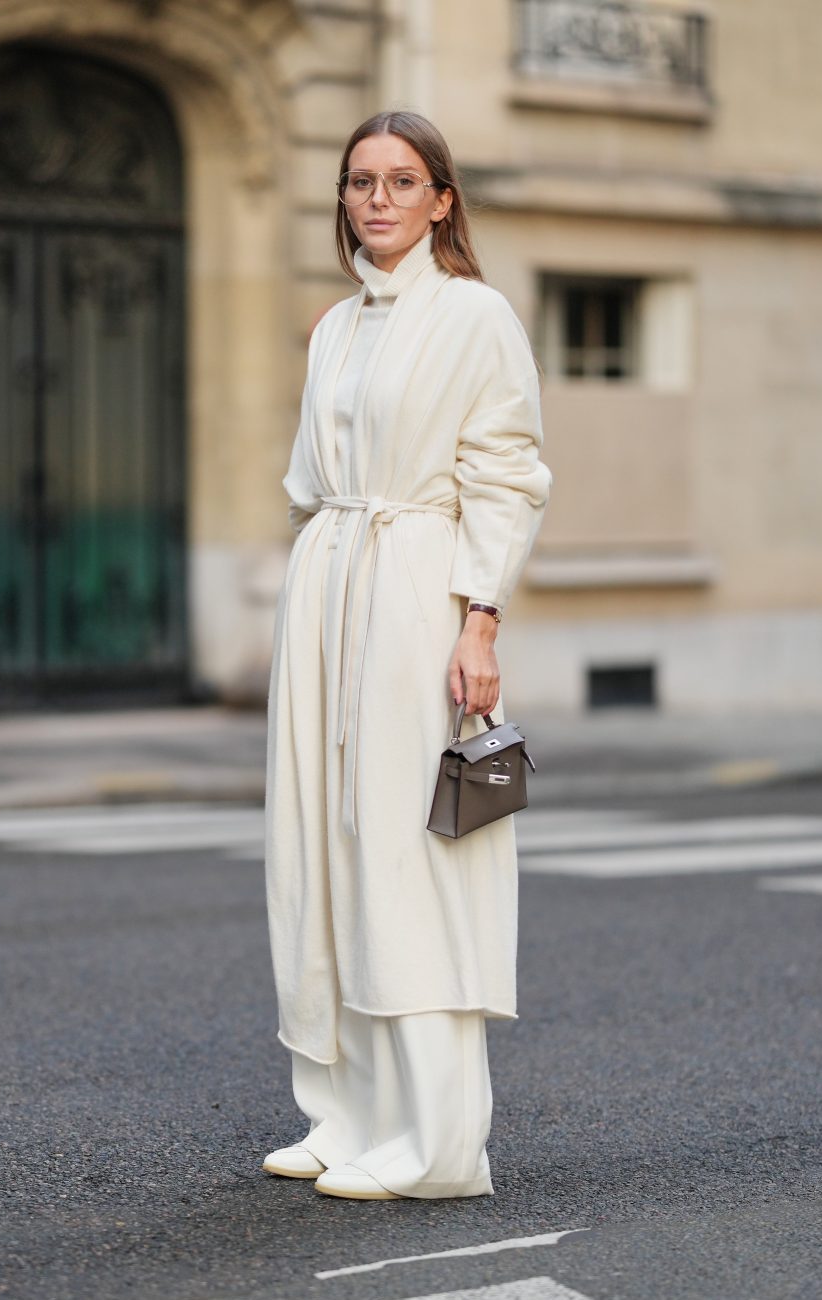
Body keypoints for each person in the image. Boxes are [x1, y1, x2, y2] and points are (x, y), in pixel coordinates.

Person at [260, 110, 551, 1201]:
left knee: (408, 855)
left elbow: (507, 475)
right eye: (358, 181)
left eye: (400, 180)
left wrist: (479, 620)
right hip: (328, 585)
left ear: (441, 200)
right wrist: (314, 586)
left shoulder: (475, 315)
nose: (376, 199)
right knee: (320, 848)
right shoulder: (335, 327)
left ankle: (435, 1144)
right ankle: (344, 1116)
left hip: (417, 590)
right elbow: (307, 482)